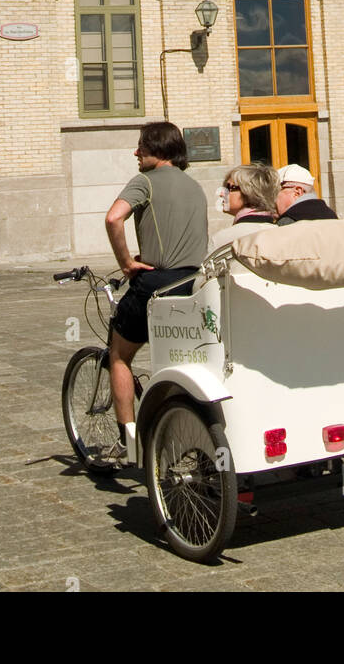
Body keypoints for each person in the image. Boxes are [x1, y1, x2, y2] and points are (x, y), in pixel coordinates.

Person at [103, 121, 208, 456]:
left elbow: (113, 218)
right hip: (194, 284)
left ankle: (127, 441)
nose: (136, 153)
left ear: (157, 151)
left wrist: (126, 263)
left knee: (118, 355)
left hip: (156, 283)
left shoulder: (144, 181)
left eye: (142, 147)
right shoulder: (195, 186)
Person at [208, 163, 278, 250]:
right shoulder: (281, 233)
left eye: (229, 187)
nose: (222, 193)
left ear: (249, 192)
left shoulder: (222, 239)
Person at [274, 163, 338, 224]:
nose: (273, 200)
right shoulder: (332, 216)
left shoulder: (287, 222)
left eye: (275, 192)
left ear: (298, 192)